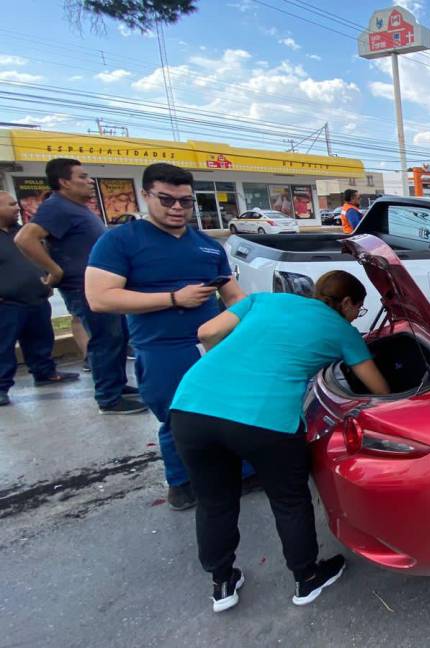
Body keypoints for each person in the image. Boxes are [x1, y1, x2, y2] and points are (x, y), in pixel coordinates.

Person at [168, 270, 390, 612]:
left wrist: (230, 366)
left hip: (192, 406)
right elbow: (380, 390)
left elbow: (206, 331)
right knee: (289, 501)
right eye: (357, 309)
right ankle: (306, 578)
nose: (354, 316)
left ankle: (222, 583)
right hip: (264, 419)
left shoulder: (264, 300)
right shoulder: (343, 331)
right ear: (346, 302)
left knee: (214, 501)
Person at [85, 163, 253, 511]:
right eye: (166, 199)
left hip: (212, 344)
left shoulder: (207, 245)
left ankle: (243, 472)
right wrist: (173, 298)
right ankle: (182, 482)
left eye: (185, 201)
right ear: (146, 195)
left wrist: (243, 331)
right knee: (178, 417)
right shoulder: (119, 241)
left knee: (230, 408)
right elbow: (99, 298)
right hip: (161, 348)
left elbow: (234, 296)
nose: (177, 208)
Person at [14, 158, 144, 415]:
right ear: (64, 182)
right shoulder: (57, 207)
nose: (90, 181)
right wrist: (54, 270)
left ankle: (116, 385)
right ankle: (109, 398)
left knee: (118, 336)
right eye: (82, 177)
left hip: (101, 284)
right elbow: (24, 238)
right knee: (105, 339)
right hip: (82, 286)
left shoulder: (74, 207)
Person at [0, 191, 80, 407]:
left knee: (41, 340)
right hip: (7, 303)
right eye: (10, 204)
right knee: (3, 347)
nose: (17, 207)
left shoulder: (21, 233)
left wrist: (46, 280)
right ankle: (1, 387)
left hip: (36, 299)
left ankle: (45, 373)